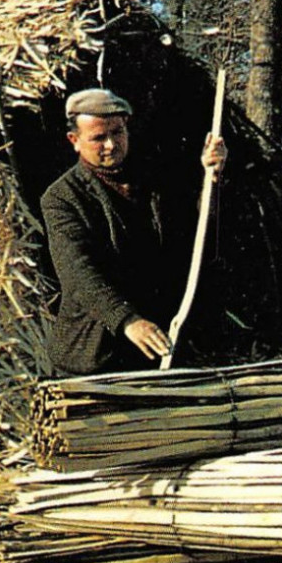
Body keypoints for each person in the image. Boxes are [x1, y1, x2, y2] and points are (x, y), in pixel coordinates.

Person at [40, 88, 227, 377]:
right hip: (94, 358)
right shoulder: (62, 198)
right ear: (74, 141)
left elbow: (198, 241)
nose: (111, 145)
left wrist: (211, 179)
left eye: (117, 133)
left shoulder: (154, 181)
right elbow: (79, 274)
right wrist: (127, 320)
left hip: (160, 352)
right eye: (99, 138)